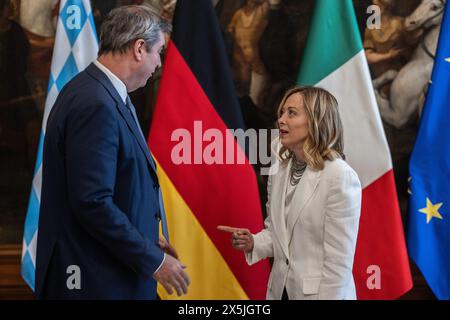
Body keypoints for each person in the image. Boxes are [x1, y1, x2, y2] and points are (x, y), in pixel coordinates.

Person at [35, 5, 189, 299]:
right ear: (139, 48)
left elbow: (114, 183)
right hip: (94, 279)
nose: (159, 64)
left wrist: (145, 235)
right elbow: (92, 201)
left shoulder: (100, 91)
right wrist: (153, 259)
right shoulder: (95, 103)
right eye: (159, 52)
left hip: (108, 271)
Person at [218, 86, 362, 300]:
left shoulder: (339, 176)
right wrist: (254, 243)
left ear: (316, 120)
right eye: (282, 112)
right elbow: (279, 234)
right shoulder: (280, 166)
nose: (281, 120)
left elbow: (338, 264)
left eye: (291, 113)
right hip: (280, 291)